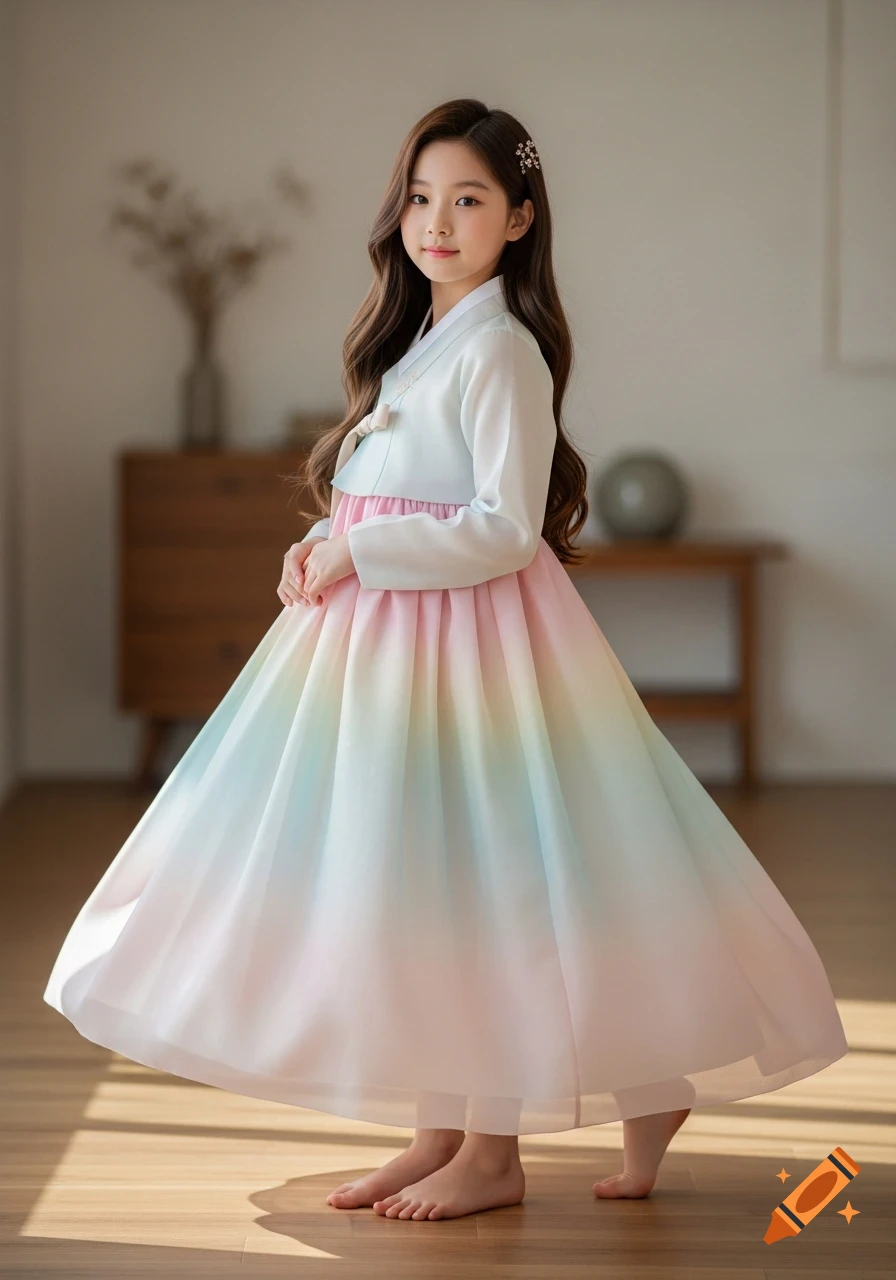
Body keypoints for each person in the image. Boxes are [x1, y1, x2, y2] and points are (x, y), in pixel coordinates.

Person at [44, 98, 848, 1224]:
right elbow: (387, 492)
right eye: (421, 196)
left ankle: (494, 1145)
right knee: (414, 874)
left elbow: (501, 526)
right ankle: (449, 1125)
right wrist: (324, 539)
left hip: (469, 645)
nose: (438, 219)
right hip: (391, 644)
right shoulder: (420, 342)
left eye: (468, 199)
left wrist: (357, 545)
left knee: (487, 872)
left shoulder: (502, 349)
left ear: (517, 219)